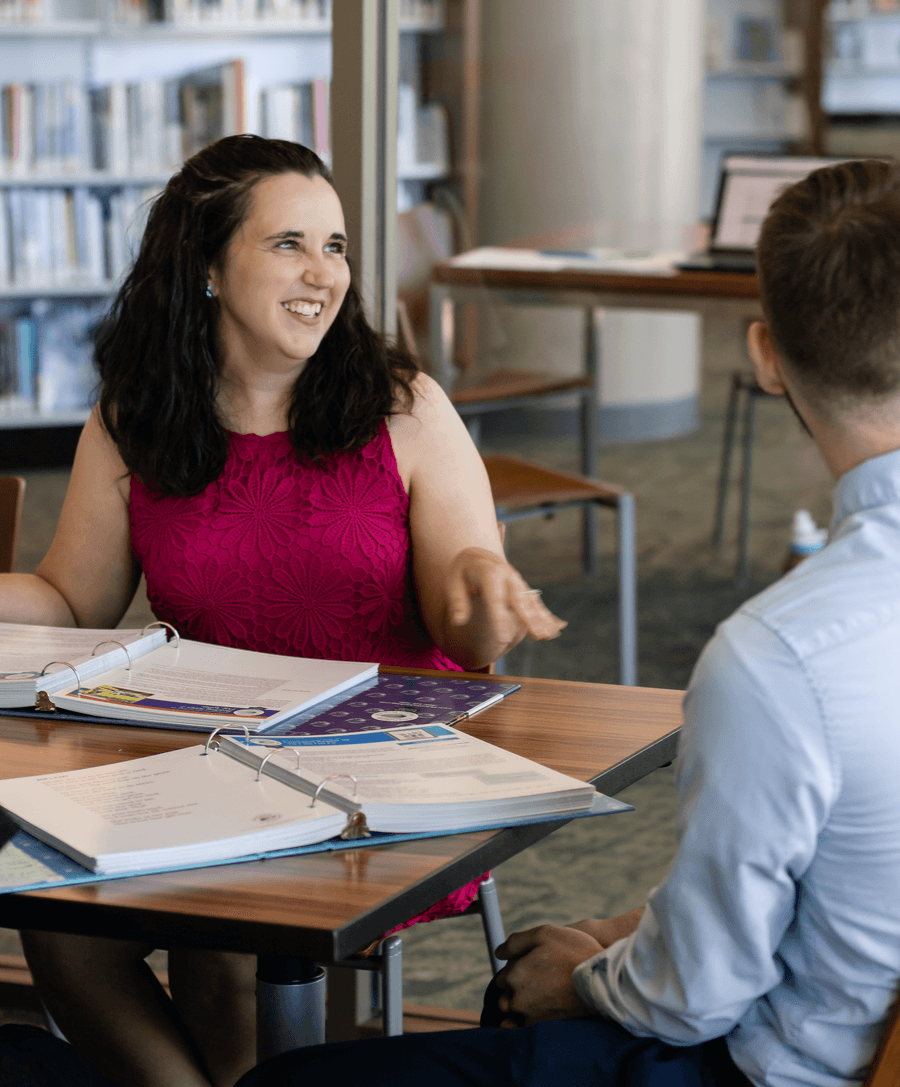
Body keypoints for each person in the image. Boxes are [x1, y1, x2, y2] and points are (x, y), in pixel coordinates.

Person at [236, 159, 900, 1087]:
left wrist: (585, 975)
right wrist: (619, 937)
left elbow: (694, 998)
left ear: (764, 358)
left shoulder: (777, 657)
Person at [4, 134, 565, 1087]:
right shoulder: (135, 415)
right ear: (209, 268)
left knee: (216, 928)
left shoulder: (405, 407)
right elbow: (71, 599)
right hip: (205, 757)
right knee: (59, 922)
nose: (324, 273)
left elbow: (467, 628)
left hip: (382, 769)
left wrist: (483, 590)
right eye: (290, 245)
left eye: (337, 245)